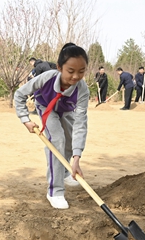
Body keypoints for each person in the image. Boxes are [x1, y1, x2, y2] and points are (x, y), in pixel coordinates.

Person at [15, 43, 89, 209]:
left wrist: (76, 159)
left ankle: (65, 171)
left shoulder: (82, 90)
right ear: (59, 67)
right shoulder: (46, 77)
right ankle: (55, 191)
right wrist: (25, 119)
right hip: (46, 107)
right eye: (71, 71)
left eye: (81, 71)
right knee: (57, 140)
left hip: (66, 110)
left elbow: (80, 124)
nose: (76, 76)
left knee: (69, 142)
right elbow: (19, 94)